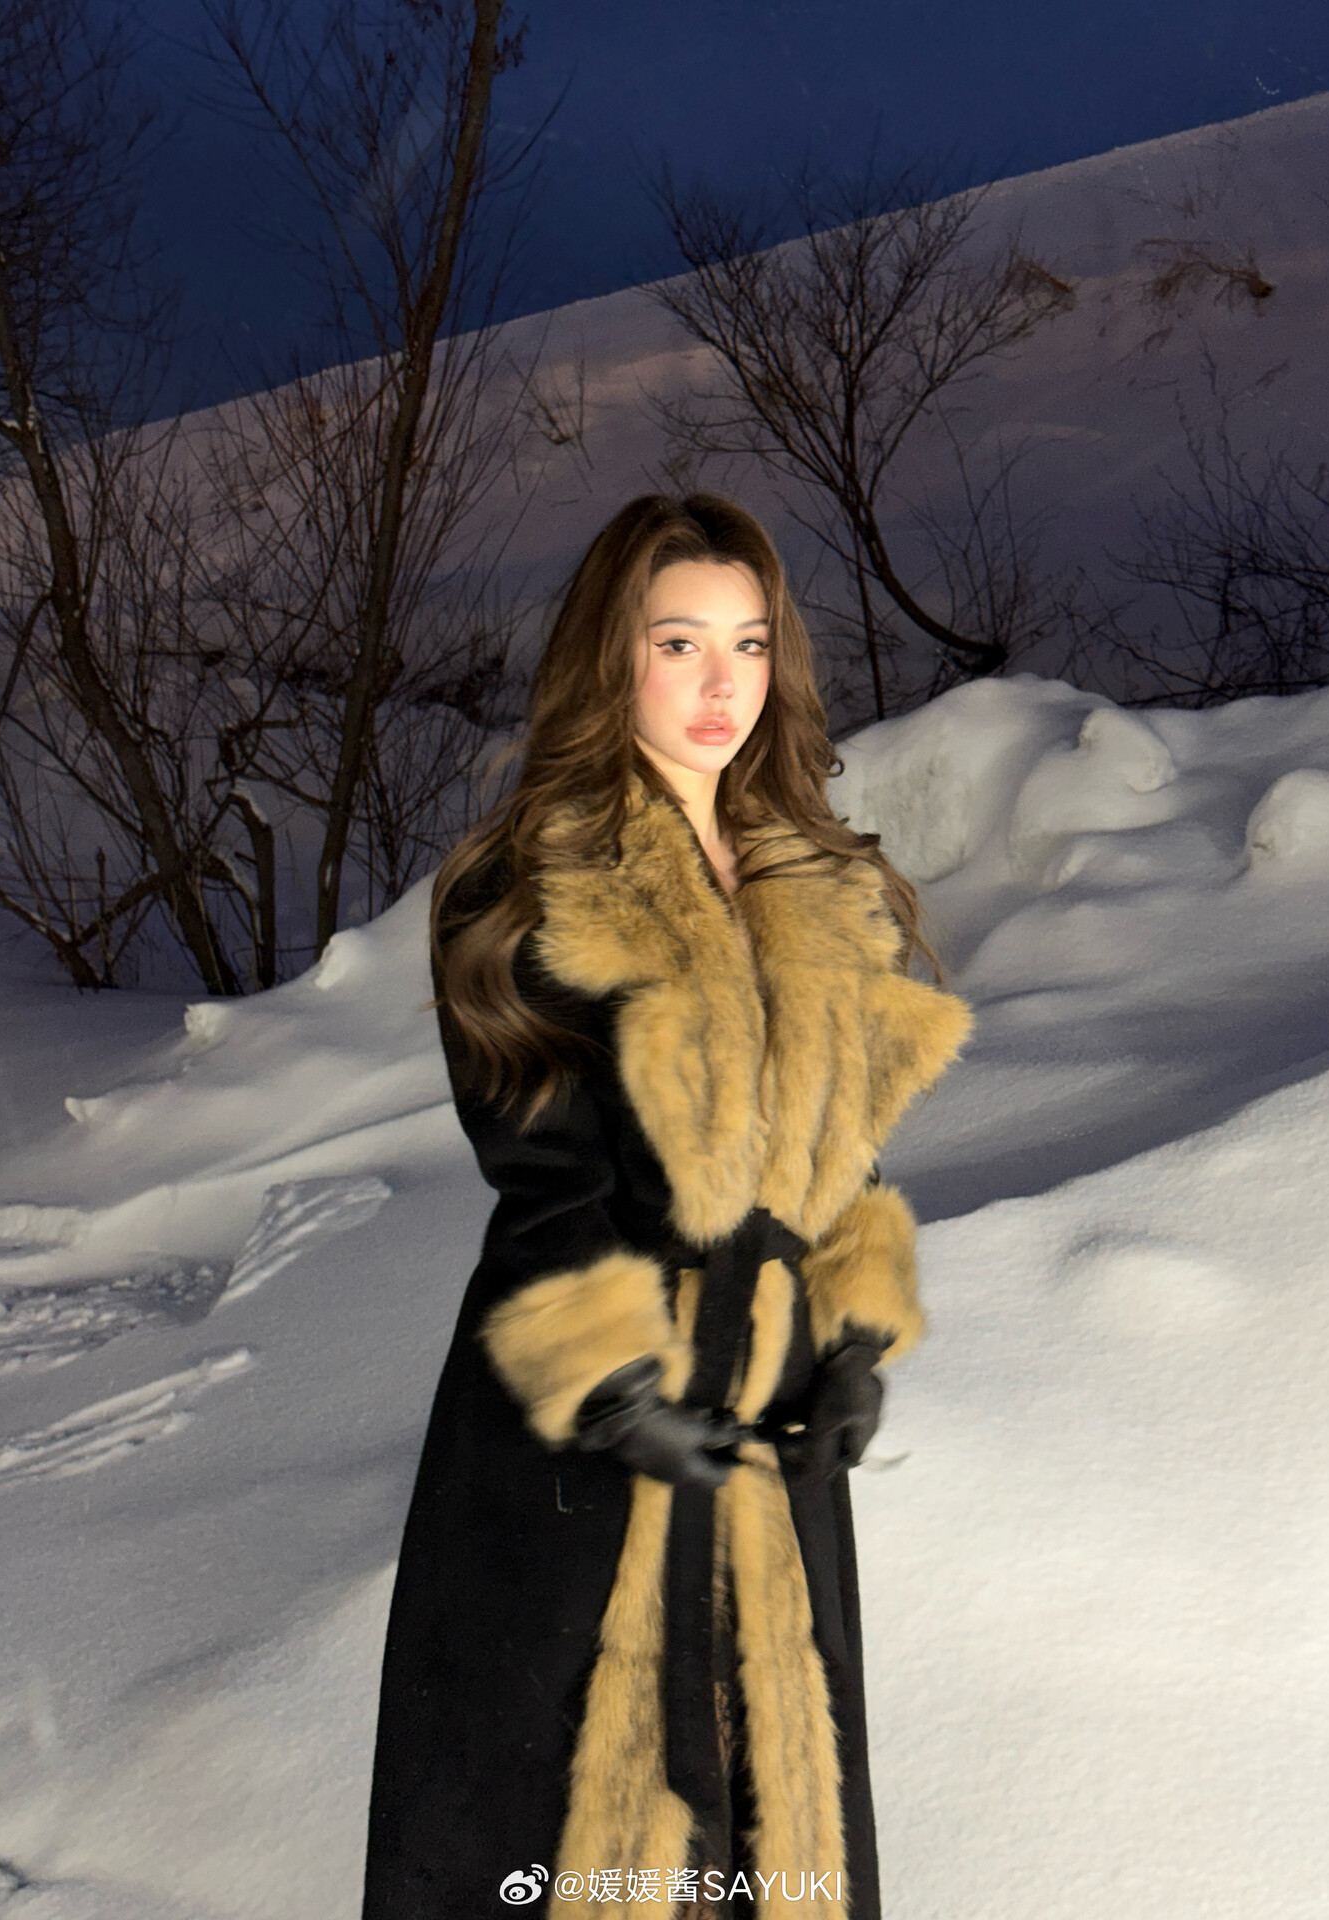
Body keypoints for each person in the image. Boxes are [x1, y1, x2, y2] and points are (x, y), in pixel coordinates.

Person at [361, 493, 972, 1920]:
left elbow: (846, 1160)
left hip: (767, 1438)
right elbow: (542, 1179)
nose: (720, 684)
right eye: (678, 642)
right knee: (591, 1836)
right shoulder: (532, 887)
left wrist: (856, 1341)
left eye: (749, 644)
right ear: (610, 655)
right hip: (586, 1449)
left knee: (772, 1825)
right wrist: (612, 1382)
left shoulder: (815, 881)